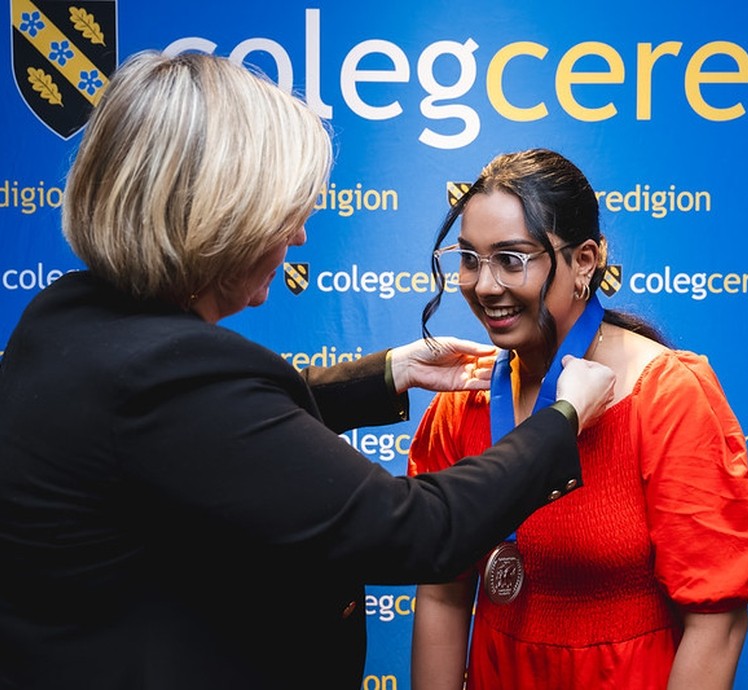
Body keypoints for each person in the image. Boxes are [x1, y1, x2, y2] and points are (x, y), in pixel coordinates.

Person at [0, 55, 618, 690]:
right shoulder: (169, 375)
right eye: (282, 212)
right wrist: (557, 421)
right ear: (217, 215)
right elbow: (416, 529)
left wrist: (388, 373)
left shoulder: (63, 321)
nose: (298, 237)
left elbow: (197, 438)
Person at [409, 148, 748, 690]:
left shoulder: (666, 395)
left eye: (511, 258)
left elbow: (717, 623)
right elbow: (441, 592)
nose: (483, 285)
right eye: (470, 258)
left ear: (585, 261)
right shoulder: (464, 399)